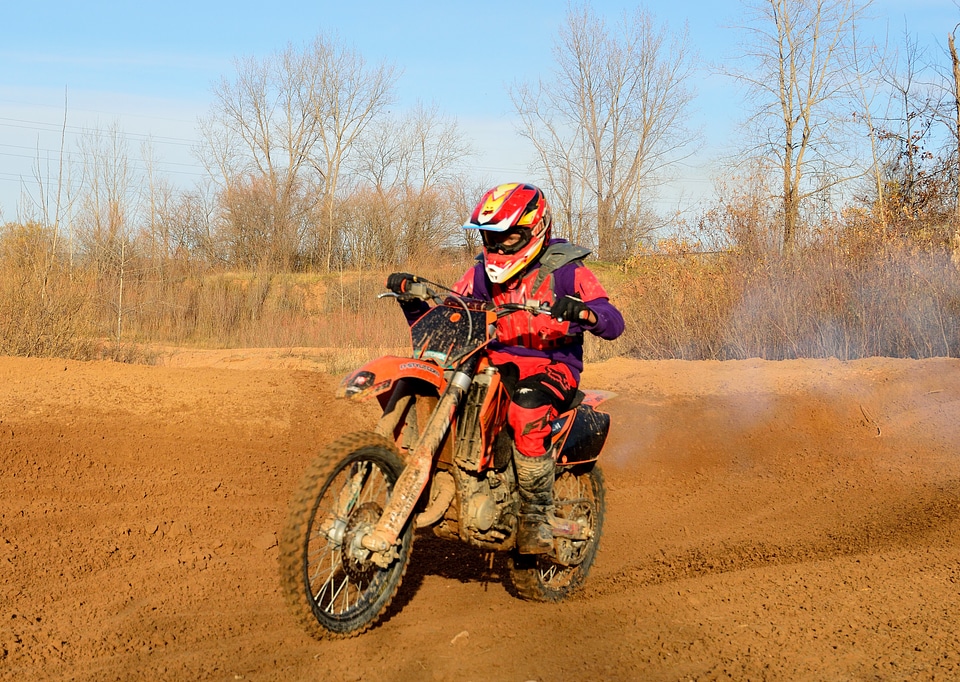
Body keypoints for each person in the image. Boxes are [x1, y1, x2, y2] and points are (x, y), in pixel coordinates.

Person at [387, 182, 624, 555]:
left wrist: (584, 311)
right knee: (427, 383)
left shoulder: (566, 271)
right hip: (490, 360)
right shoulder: (481, 274)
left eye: (509, 237)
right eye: (490, 237)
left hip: (551, 366)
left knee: (527, 408)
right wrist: (413, 300)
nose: (498, 247)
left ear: (535, 228)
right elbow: (452, 314)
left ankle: (536, 517)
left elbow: (613, 321)